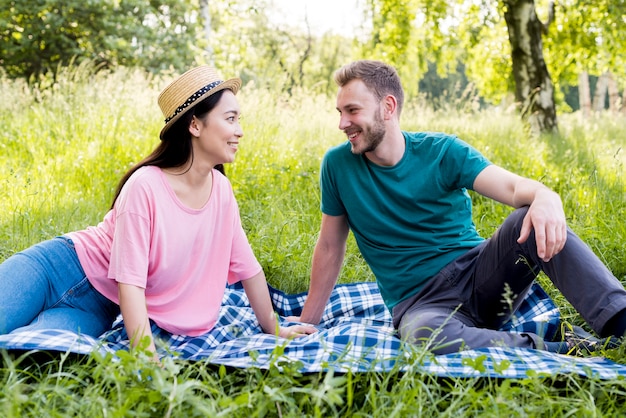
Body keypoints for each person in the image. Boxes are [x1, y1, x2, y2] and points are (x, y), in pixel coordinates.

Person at [294, 59, 626, 355]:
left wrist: (546, 197)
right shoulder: (337, 166)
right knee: (425, 337)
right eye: (340, 112)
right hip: (421, 303)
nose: (342, 123)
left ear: (388, 106)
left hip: (481, 275)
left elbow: (512, 187)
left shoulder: (442, 151)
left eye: (352, 110)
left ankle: (621, 324)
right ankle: (566, 348)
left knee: (532, 216)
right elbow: (329, 246)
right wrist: (307, 322)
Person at [0, 66, 316, 360]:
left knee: (28, 352)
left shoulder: (220, 191)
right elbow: (131, 283)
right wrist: (147, 357)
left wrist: (274, 328)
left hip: (100, 306)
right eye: (230, 119)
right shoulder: (145, 185)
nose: (240, 131)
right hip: (56, 267)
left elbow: (249, 269)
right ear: (195, 124)